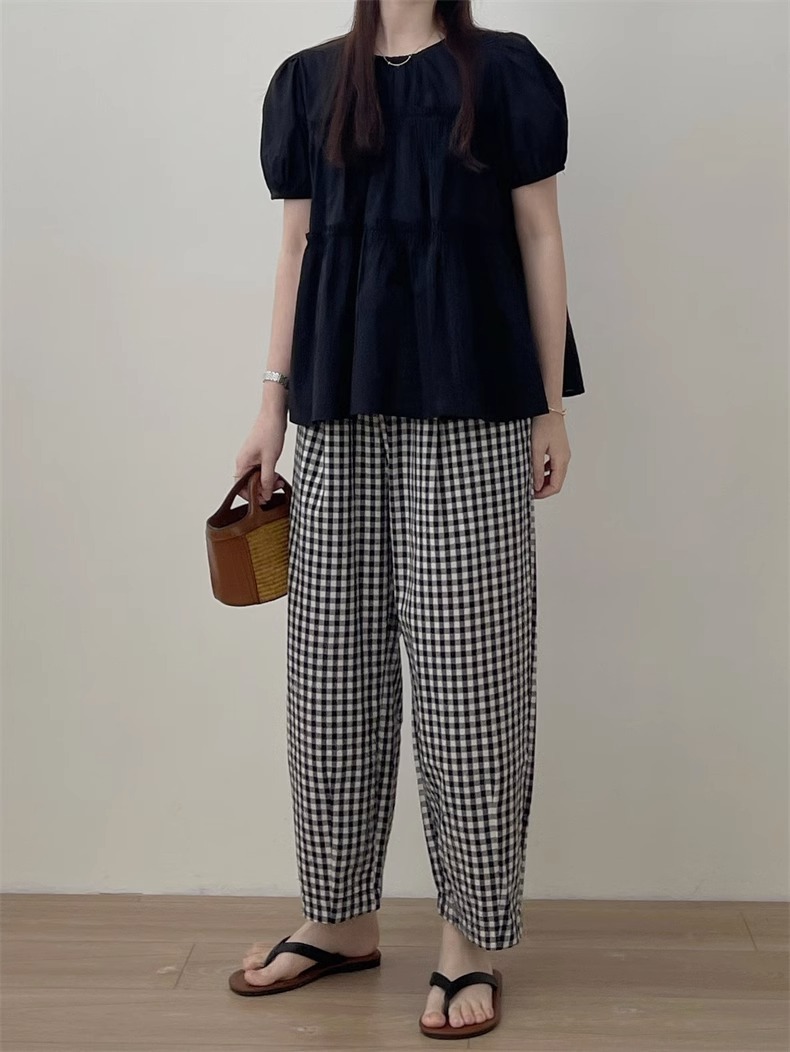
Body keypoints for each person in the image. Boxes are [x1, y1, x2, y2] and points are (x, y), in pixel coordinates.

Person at [228, 0, 585, 1039]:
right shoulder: (307, 81)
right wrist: (268, 406)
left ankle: (470, 938)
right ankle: (339, 918)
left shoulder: (505, 72)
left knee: (470, 677)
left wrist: (551, 407)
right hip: (336, 402)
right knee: (329, 672)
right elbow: (296, 247)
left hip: (473, 402)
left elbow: (539, 232)